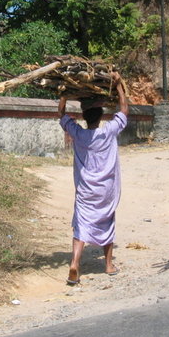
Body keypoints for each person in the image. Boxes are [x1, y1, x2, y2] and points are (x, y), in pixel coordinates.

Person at [58, 72, 129, 285]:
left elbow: (61, 114)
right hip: (106, 189)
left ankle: (75, 263)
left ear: (84, 117)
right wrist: (118, 86)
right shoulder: (108, 132)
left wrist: (64, 92)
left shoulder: (78, 135)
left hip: (86, 190)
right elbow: (124, 110)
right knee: (106, 220)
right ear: (100, 116)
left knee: (82, 224)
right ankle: (108, 265)